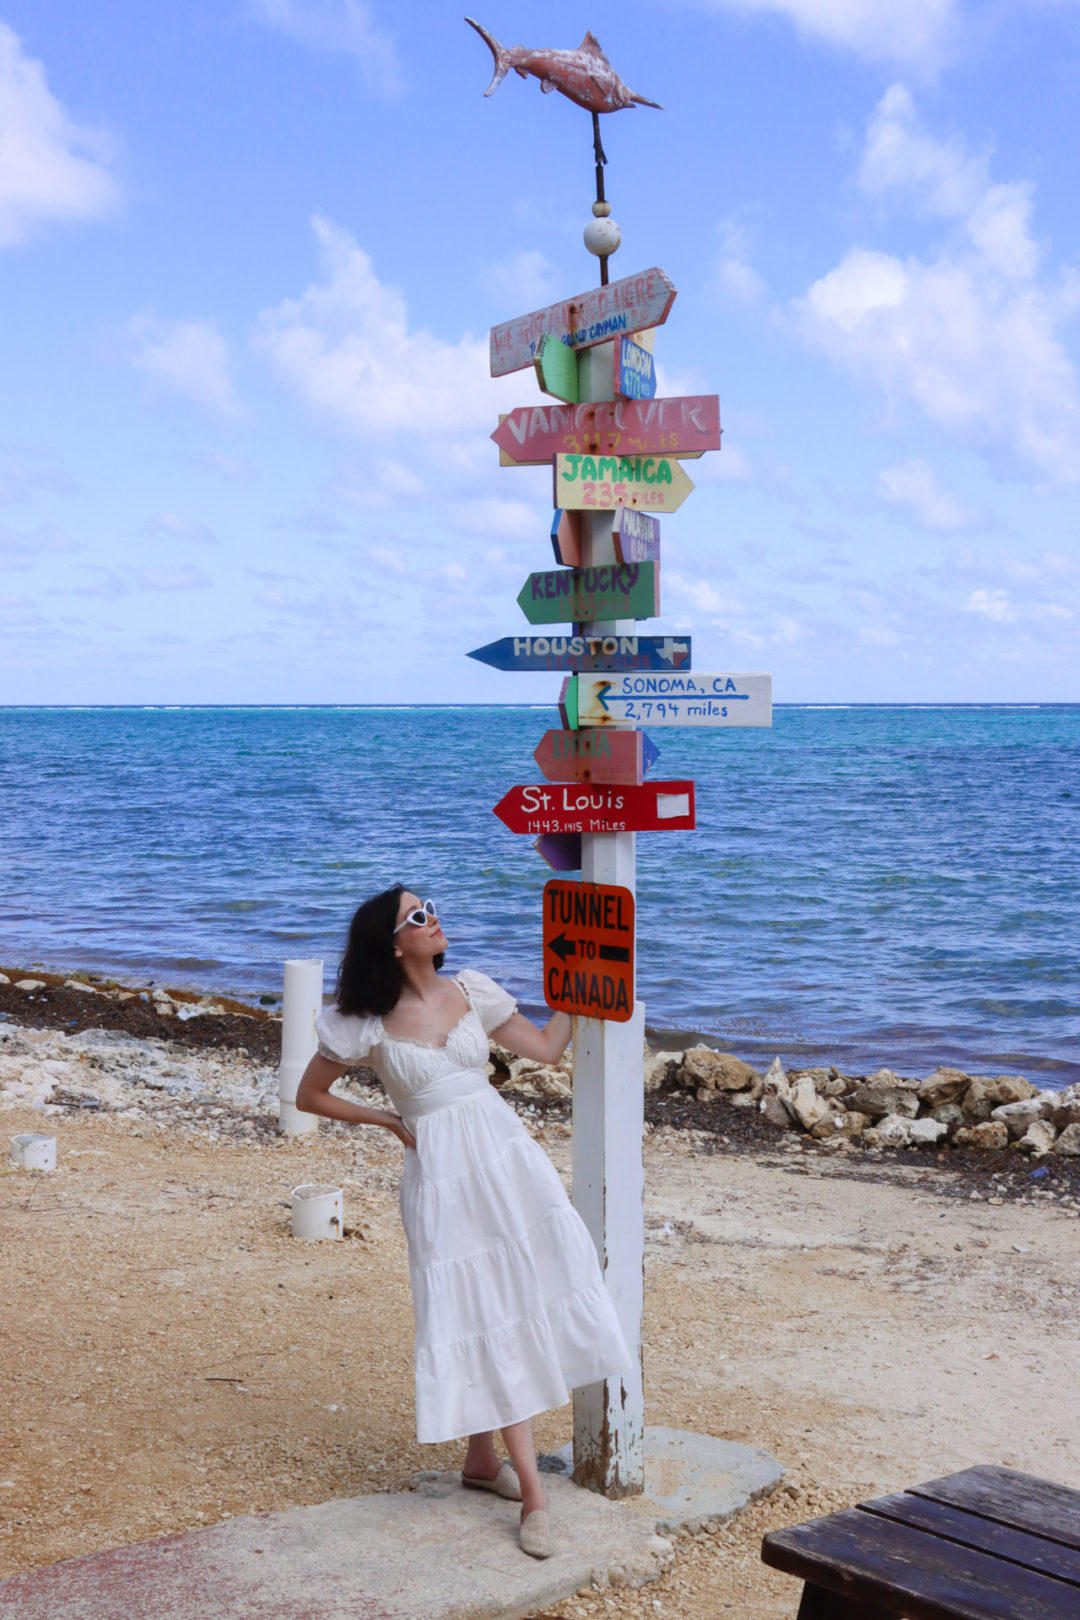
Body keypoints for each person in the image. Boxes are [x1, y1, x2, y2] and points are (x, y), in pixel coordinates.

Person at [295, 886, 631, 1560]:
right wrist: (387, 1119)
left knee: (524, 1292)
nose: (433, 919)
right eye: (417, 916)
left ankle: (483, 1463)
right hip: (443, 1179)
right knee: (484, 1310)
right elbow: (309, 1095)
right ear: (393, 943)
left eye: (431, 908)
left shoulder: (471, 990)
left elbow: (544, 1049)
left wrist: (586, 979)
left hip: (507, 1159)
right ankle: (534, 1495)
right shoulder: (364, 1021)